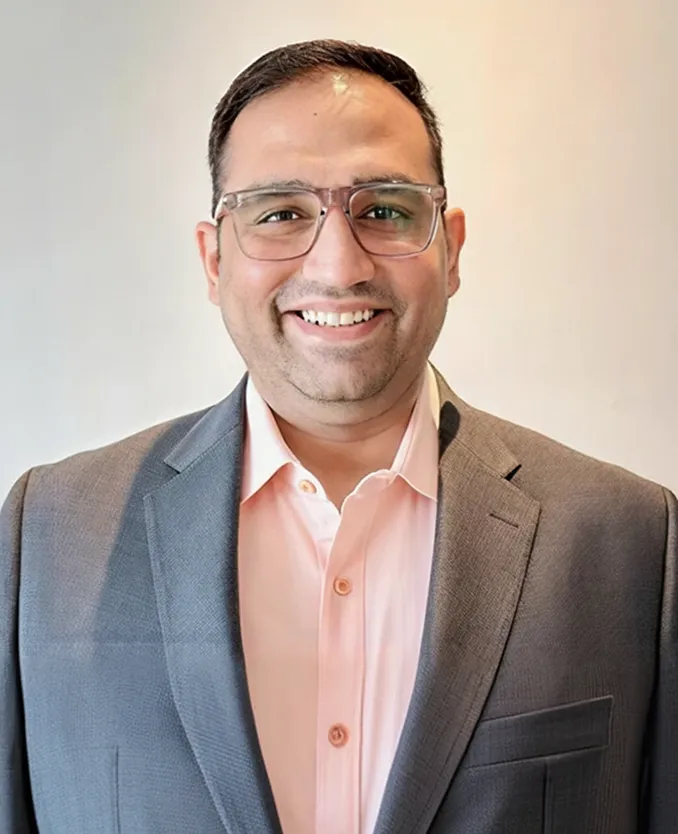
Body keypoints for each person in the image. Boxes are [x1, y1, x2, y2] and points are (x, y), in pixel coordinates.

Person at [1, 38, 675, 834]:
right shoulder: (45, 537)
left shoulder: (632, 541)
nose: (339, 266)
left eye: (385, 210)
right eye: (281, 213)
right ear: (212, 259)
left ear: (450, 247)